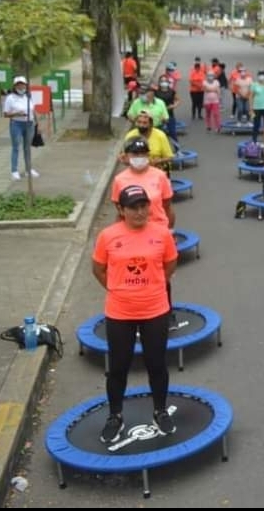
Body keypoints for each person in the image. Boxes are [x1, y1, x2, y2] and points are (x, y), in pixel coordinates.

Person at [91, 185, 179, 443]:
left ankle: (160, 411)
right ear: (121, 209)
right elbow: (98, 269)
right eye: (133, 207)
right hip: (120, 312)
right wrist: (117, 289)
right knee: (118, 367)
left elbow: (169, 264)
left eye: (143, 206)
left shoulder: (162, 234)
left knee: (157, 364)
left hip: (155, 310)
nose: (140, 212)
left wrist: (151, 287)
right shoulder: (108, 236)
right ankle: (115, 416)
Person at [111, 138, 175, 230]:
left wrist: (170, 231)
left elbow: (167, 206)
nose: (139, 157)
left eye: (143, 153)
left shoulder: (160, 176)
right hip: (131, 230)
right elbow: (120, 209)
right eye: (135, 154)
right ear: (126, 156)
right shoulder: (119, 180)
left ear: (148, 155)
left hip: (158, 228)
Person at [2, 76, 38, 180]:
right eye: (18, 84)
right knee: (16, 147)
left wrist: (37, 123)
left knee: (27, 147)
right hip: (16, 124)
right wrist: (17, 113)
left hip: (29, 124)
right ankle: (14, 171)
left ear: (26, 85)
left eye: (22, 84)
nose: (21, 86)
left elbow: (33, 110)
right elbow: (5, 114)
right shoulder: (11, 98)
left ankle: (28, 169)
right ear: (15, 86)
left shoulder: (29, 96)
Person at [249, 69, 264, 143]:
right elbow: (251, 96)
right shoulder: (254, 84)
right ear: (258, 76)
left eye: (263, 75)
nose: (261, 76)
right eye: (260, 75)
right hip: (257, 108)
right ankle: (254, 140)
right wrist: (251, 108)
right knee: (256, 125)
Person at [154, 75, 180, 143]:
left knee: (172, 133)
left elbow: (178, 100)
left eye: (165, 81)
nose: (163, 82)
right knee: (159, 134)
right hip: (159, 116)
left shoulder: (172, 91)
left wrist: (174, 106)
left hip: (169, 115)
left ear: (168, 82)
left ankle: (177, 149)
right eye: (162, 81)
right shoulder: (156, 92)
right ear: (159, 82)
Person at [188, 57, 206, 121]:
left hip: (201, 90)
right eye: (196, 68)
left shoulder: (202, 73)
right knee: (194, 103)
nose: (197, 69)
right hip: (193, 90)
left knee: (200, 103)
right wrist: (198, 85)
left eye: (198, 68)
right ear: (195, 68)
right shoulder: (192, 73)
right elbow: (191, 81)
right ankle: (193, 115)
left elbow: (204, 81)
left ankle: (199, 114)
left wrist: (201, 86)